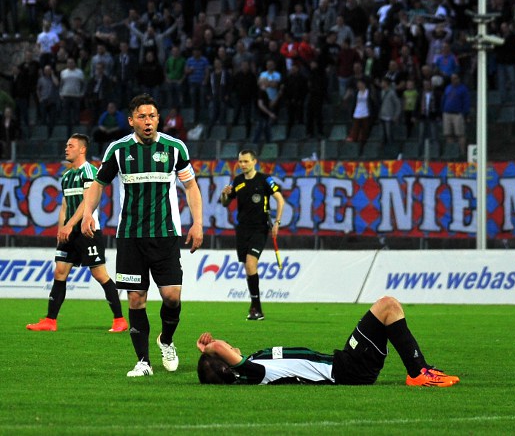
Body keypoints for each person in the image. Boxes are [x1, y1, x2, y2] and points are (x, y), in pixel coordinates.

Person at [81, 93, 204, 378]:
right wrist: (88, 213)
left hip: (165, 234)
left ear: (158, 119)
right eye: (142, 117)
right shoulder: (118, 150)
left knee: (171, 297)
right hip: (130, 237)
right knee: (136, 299)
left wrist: (197, 223)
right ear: (131, 120)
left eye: (152, 116)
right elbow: (98, 184)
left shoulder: (174, 148)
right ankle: (143, 362)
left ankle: (166, 340)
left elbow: (191, 187)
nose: (147, 122)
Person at [196, 295, 459, 387]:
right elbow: (221, 349)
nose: (226, 344)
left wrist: (211, 353)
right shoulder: (253, 373)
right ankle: (419, 373)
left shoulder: (253, 364)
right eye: (224, 350)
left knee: (388, 307)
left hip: (345, 364)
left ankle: (419, 371)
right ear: (228, 365)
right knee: (387, 306)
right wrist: (210, 349)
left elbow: (226, 350)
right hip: (349, 369)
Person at [26, 134, 128, 333]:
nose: (66, 148)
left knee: (99, 274)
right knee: (59, 272)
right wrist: (61, 229)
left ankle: (120, 319)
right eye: (66, 145)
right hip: (69, 232)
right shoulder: (66, 176)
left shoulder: (89, 171)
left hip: (87, 231)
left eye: (71, 146)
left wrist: (70, 225)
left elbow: (87, 203)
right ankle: (50, 320)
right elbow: (64, 205)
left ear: (82, 149)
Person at [219, 150, 286, 321]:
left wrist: (277, 222)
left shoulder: (265, 180)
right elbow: (225, 203)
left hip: (259, 229)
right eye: (240, 161)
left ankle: (256, 307)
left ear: (254, 161)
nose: (242, 164)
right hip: (242, 229)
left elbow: (280, 200)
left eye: (246, 161)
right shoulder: (237, 181)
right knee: (248, 269)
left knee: (250, 264)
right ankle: (255, 306)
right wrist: (224, 194)